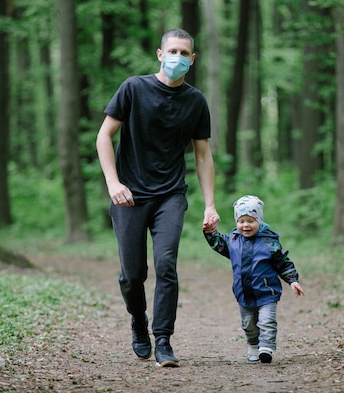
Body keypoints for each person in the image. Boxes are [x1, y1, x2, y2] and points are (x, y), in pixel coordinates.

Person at [96, 28, 220, 368]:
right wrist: (113, 183)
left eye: (185, 52)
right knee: (132, 274)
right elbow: (104, 136)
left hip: (170, 195)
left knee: (166, 265)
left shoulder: (196, 101)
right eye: (173, 51)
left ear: (192, 59)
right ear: (160, 54)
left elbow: (203, 155)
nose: (178, 57)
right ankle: (138, 319)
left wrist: (210, 204)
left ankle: (163, 339)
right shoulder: (133, 89)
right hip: (129, 197)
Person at [202, 195, 305, 364]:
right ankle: (253, 345)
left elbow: (282, 263)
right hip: (244, 292)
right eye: (241, 221)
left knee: (267, 321)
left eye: (250, 221)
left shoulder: (269, 242)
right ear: (236, 222)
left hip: (267, 292)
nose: (245, 225)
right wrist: (209, 231)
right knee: (248, 324)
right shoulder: (233, 241)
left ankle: (266, 348)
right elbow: (218, 243)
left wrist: (292, 280)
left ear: (259, 220)